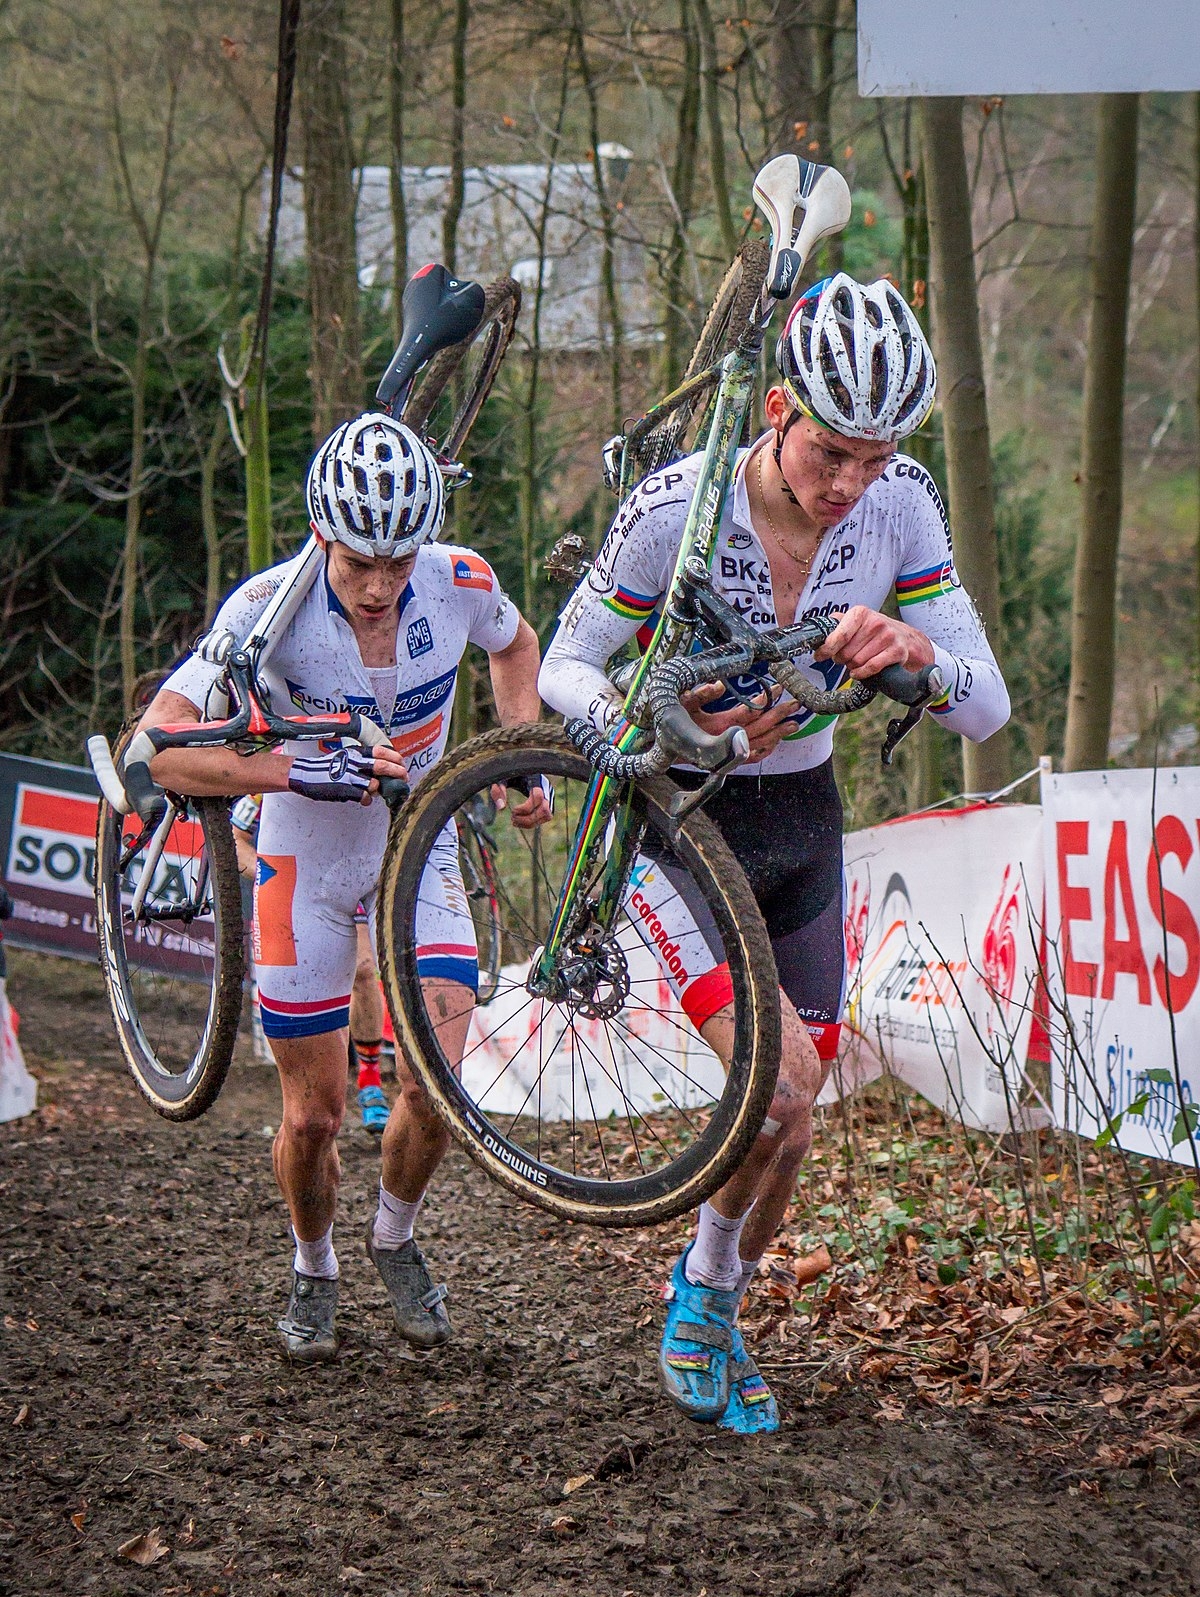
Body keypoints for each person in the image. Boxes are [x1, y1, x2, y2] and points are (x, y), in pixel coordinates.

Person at [538, 273, 1011, 1434]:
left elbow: (986, 707)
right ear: (777, 411)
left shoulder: (901, 505)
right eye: (830, 452)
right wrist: (662, 732)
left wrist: (917, 651)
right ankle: (703, 1301)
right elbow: (563, 668)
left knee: (795, 1115)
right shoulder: (677, 509)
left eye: (876, 452)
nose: (850, 483)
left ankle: (707, 1298)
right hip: (677, 825)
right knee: (783, 1082)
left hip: (802, 820)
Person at [139, 413, 548, 1363]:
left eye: (397, 563)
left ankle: (394, 1237)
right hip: (302, 863)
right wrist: (287, 771)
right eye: (359, 560)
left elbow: (517, 645)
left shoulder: (459, 580)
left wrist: (522, 754)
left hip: (424, 848)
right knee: (315, 1114)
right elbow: (157, 752)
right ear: (322, 534)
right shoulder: (265, 609)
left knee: (437, 1086)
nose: (377, 585)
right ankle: (314, 1259)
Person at [231, 797, 388, 1135]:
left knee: (363, 971)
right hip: (293, 891)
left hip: (345, 879)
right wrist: (272, 875)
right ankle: (312, 1100)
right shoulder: (271, 770)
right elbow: (235, 837)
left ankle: (370, 1082)